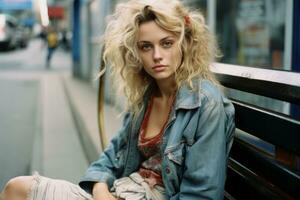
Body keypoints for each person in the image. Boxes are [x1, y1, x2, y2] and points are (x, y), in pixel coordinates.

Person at [0, 0, 235, 199]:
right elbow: (109, 159)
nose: (157, 56)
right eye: (146, 46)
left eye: (166, 43)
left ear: (184, 44)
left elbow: (200, 194)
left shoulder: (205, 103)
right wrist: (101, 188)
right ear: (136, 52)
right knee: (17, 188)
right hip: (120, 191)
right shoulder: (147, 98)